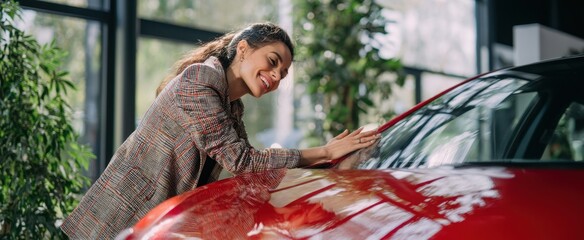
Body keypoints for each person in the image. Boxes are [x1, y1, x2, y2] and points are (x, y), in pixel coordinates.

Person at [60, 22, 379, 239]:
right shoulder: (200, 80)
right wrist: (323, 152)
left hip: (155, 222)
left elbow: (252, 175)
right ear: (242, 49)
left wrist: (332, 166)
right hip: (118, 216)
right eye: (272, 61)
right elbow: (242, 161)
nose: (276, 76)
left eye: (282, 73)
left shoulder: (232, 107)